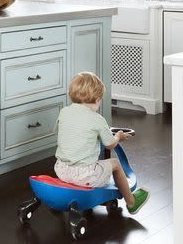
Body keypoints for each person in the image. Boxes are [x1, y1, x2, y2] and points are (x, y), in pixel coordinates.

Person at [54, 71, 150, 214]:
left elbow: (58, 131)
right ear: (98, 99)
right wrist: (118, 136)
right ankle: (131, 202)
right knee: (116, 164)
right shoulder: (97, 119)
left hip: (61, 169)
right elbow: (110, 144)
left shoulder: (64, 112)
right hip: (83, 175)